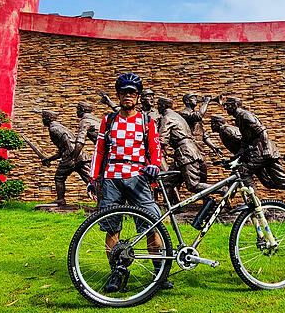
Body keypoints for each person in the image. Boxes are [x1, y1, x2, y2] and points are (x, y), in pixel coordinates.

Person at [88, 73, 173, 292]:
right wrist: (93, 178)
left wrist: (155, 165)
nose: (128, 96)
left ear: (137, 96)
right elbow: (99, 150)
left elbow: (155, 147)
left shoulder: (146, 121)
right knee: (111, 228)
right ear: (118, 95)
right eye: (124, 92)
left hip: (138, 176)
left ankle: (160, 273)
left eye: (132, 93)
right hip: (112, 177)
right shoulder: (108, 120)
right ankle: (116, 273)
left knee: (152, 225)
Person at [222, 96, 285, 203]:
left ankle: (254, 203)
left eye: (227, 105)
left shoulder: (245, 115)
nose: (225, 108)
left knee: (243, 171)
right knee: (274, 182)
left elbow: (262, 131)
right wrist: (235, 157)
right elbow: (245, 141)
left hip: (262, 152)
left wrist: (266, 148)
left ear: (235, 105)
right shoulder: (239, 118)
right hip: (259, 152)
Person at [157, 97, 211, 193]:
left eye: (159, 106)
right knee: (167, 182)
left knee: (193, 185)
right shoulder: (177, 116)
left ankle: (223, 189)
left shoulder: (167, 118)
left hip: (185, 153)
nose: (157, 108)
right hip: (185, 153)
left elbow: (162, 139)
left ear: (163, 106)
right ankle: (170, 204)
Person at [40, 110, 90, 206]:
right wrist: (49, 159)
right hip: (79, 156)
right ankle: (102, 201)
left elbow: (68, 144)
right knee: (89, 179)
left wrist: (72, 159)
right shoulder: (59, 127)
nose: (42, 120)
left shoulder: (54, 129)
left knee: (59, 177)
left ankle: (60, 199)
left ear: (47, 118)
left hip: (71, 156)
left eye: (43, 118)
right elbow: (62, 150)